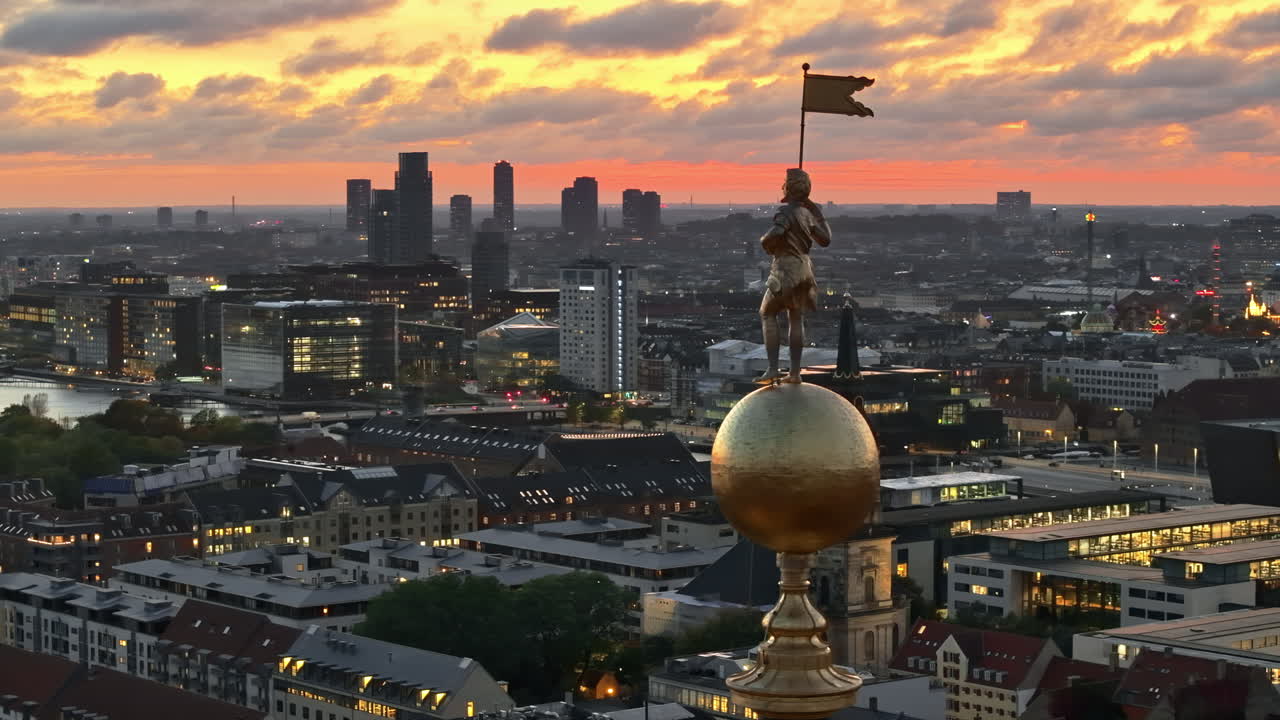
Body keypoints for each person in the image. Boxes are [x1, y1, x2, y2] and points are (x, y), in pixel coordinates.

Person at [757, 168, 831, 383]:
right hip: (805, 269)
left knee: (767, 313)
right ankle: (795, 373)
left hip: (785, 270)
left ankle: (772, 368)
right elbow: (826, 239)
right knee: (795, 317)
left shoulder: (786, 212)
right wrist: (817, 212)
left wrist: (765, 243)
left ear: (787, 188)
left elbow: (776, 233)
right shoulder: (807, 214)